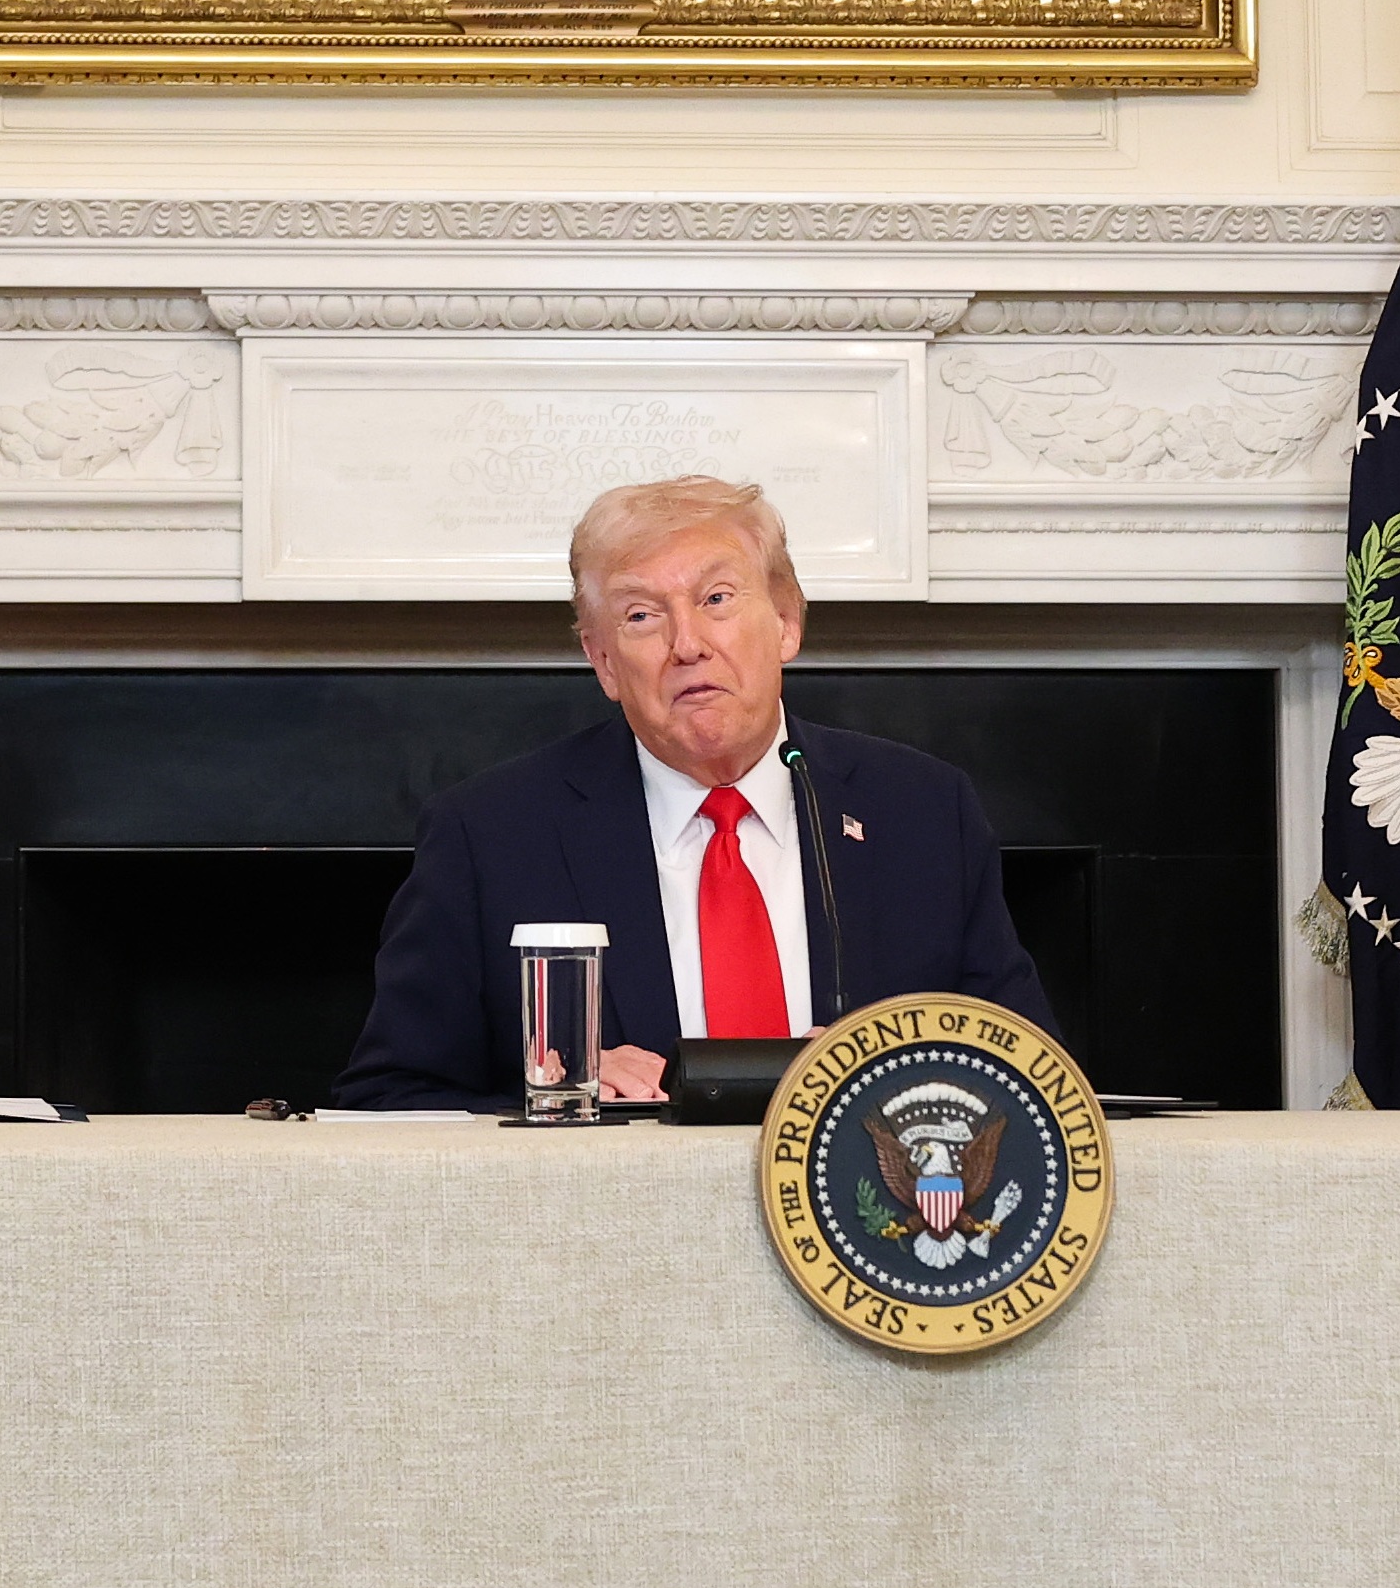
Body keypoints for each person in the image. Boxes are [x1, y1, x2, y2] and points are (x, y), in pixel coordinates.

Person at [333, 473, 1054, 1110]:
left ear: (786, 621)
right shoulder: (490, 835)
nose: (687, 643)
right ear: (603, 661)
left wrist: (896, 1077)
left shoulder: (921, 812)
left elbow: (1036, 1078)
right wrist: (548, 1098)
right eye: (642, 614)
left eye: (716, 597)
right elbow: (385, 1099)